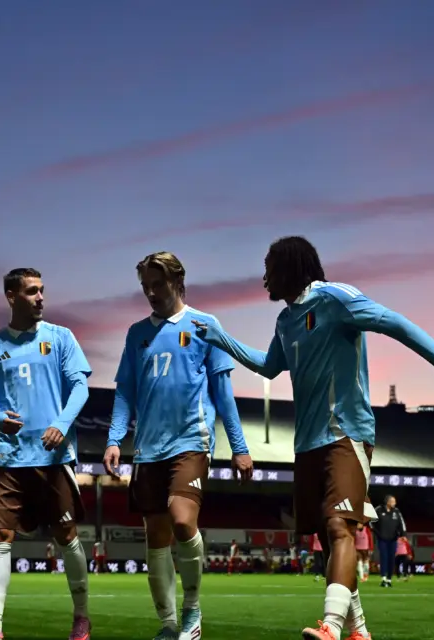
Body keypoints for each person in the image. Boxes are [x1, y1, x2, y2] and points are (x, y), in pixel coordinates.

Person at [193, 236, 434, 640]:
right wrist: (220, 336)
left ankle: (332, 626)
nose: (264, 279)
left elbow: (395, 322)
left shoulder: (335, 298)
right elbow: (269, 366)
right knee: (329, 539)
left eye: (269, 269)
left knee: (339, 524)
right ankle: (360, 630)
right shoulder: (286, 320)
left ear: (291, 267)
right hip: (307, 443)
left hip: (347, 432)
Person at [103, 251, 253, 640]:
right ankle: (168, 624)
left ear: (178, 281)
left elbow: (223, 393)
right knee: (156, 535)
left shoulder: (205, 325)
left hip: (191, 441)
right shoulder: (136, 333)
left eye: (158, 284)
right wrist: (115, 439)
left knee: (183, 520)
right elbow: (125, 392)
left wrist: (239, 447)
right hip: (148, 448)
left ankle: (192, 611)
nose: (151, 293)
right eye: (146, 286)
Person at [0, 267, 94, 640]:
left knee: (66, 535)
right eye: (32, 291)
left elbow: (80, 387)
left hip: (53, 457)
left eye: (41, 290)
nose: (40, 298)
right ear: (11, 296)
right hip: (9, 457)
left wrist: (62, 424)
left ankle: (81, 617)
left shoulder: (60, 337)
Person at [372, 495, 406, 588]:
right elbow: (371, 522)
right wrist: (378, 533)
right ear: (388, 502)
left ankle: (389, 579)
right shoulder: (379, 509)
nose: (395, 503)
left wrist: (403, 534)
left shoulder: (396, 511)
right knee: (384, 557)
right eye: (393, 501)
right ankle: (383, 578)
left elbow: (401, 523)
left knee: (391, 558)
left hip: (393, 539)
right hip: (382, 539)